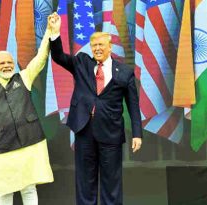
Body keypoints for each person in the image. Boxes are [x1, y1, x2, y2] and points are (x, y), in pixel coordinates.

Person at [49, 13, 143, 205]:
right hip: (85, 130)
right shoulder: (82, 62)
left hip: (111, 132)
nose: (97, 49)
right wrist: (55, 32)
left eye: (101, 45)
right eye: (94, 46)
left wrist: (137, 134)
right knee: (85, 182)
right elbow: (58, 56)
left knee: (111, 183)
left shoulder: (124, 72)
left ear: (110, 47)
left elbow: (133, 105)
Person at [0, 16, 56, 205]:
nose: (7, 65)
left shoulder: (24, 77)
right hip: (1, 148)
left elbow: (40, 58)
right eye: (2, 63)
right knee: (4, 192)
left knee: (29, 189)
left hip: (28, 144)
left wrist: (49, 33)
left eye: (9, 62)